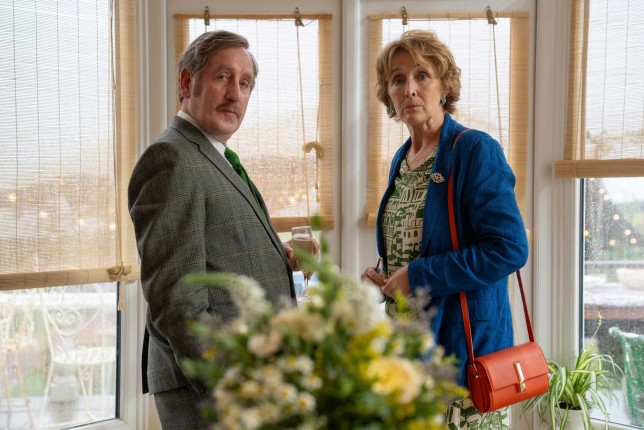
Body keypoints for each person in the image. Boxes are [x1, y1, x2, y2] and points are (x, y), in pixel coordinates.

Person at [128, 30, 306, 429]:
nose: (235, 94)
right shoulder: (171, 159)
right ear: (186, 82)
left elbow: (212, 253)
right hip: (214, 394)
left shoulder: (210, 156)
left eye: (245, 84)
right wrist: (232, 388)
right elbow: (178, 299)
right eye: (223, 77)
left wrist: (278, 257)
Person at [361, 29, 529, 428]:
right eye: (397, 79)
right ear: (388, 93)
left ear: (444, 86)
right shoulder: (403, 159)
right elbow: (422, 241)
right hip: (408, 354)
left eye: (422, 75)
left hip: (462, 360)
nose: (409, 89)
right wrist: (386, 276)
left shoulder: (474, 150)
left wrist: (418, 276)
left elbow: (508, 248)